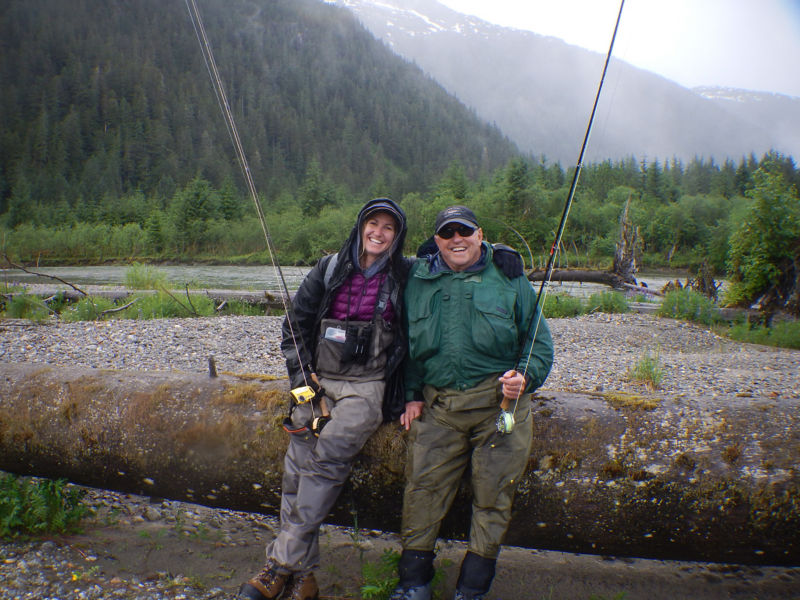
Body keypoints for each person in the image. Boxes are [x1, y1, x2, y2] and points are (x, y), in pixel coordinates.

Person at [237, 198, 411, 600]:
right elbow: (293, 327)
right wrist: (303, 380)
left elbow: (456, 259)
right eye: (373, 223)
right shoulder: (328, 268)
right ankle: (304, 579)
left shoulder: (408, 274)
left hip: (368, 388)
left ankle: (278, 566)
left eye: (389, 227)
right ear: (360, 225)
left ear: (398, 236)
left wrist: (498, 258)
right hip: (317, 379)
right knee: (296, 467)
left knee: (328, 455)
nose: (379, 233)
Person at [391, 206, 554, 600]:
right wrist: (411, 395)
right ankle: (414, 584)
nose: (456, 239)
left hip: (499, 407)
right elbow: (409, 347)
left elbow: (540, 344)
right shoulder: (417, 279)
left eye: (465, 231)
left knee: (494, 494)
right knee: (422, 490)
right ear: (437, 241)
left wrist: (525, 376)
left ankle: (472, 589)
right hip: (440, 407)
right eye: (447, 233)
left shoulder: (509, 277)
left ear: (480, 235)